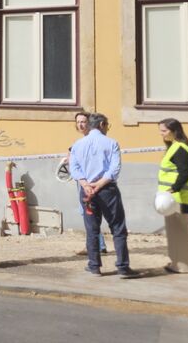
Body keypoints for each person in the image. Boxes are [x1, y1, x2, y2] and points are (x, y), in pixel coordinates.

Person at [69, 113, 139, 278]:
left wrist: (86, 185)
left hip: (87, 191)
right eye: (107, 125)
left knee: (92, 229)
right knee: (118, 228)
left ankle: (94, 266)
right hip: (107, 190)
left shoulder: (77, 144)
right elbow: (114, 168)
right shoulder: (111, 143)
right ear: (101, 124)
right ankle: (123, 267)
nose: (107, 128)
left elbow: (74, 168)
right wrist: (99, 184)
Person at [157, 118, 188, 273]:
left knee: (178, 232)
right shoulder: (177, 147)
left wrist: (173, 189)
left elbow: (184, 173)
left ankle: (182, 266)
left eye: (164, 131)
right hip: (177, 197)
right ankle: (185, 264)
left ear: (174, 131)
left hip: (176, 198)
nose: (161, 134)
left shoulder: (179, 148)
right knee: (182, 230)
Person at [65, 112, 107, 254]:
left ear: (90, 123)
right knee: (88, 213)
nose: (80, 125)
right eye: (78, 122)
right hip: (84, 181)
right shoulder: (81, 142)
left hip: (92, 182)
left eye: (83, 121)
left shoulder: (93, 140)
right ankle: (98, 244)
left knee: (89, 213)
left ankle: (95, 246)